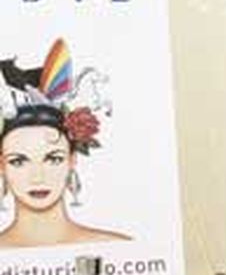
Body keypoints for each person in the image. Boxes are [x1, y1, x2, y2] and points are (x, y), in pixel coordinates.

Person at [0, 40, 129, 248]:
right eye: (18, 161)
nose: (38, 177)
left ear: (72, 160)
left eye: (53, 159)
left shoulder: (116, 247)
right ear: (1, 166)